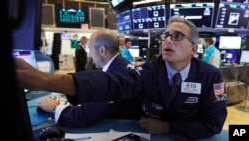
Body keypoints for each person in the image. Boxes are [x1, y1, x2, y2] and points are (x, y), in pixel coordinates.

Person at [15, 15, 227, 140]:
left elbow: (214, 124)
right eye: (166, 35)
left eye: (177, 36)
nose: (168, 40)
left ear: (194, 47)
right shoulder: (150, 70)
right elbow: (113, 82)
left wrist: (168, 127)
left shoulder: (211, 76)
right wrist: (46, 81)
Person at [35, 29, 139, 127]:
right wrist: (77, 90)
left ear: (102, 50)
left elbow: (83, 116)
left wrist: (54, 107)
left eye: (90, 49)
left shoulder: (115, 75)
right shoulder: (122, 65)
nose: (89, 55)